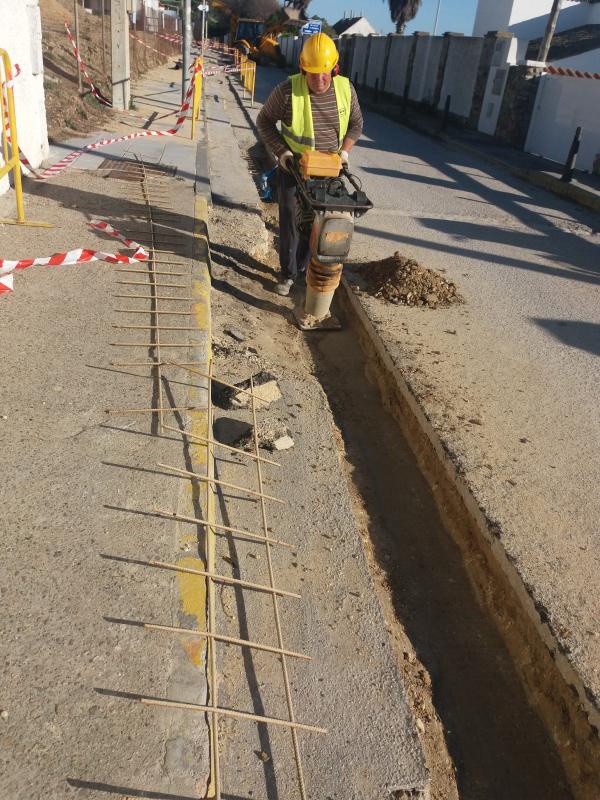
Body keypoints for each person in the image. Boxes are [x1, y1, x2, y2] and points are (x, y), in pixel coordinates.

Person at [256, 33, 364, 296]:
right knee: (291, 221)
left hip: (328, 173)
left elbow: (356, 125)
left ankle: (305, 269)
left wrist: (345, 153)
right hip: (293, 170)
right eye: (313, 73)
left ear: (334, 68)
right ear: (303, 68)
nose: (319, 79)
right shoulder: (286, 92)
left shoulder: (346, 90)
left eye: (325, 72)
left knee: (318, 223)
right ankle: (288, 274)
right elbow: (264, 122)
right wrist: (283, 153)